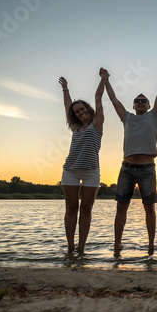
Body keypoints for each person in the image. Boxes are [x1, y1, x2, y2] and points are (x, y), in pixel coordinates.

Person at [105, 59, 157, 253]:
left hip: (147, 169)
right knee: (121, 207)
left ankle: (151, 245)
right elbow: (113, 99)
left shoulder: (154, 116)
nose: (141, 103)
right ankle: (117, 244)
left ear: (149, 105)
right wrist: (106, 79)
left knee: (149, 208)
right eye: (137, 101)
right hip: (126, 168)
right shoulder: (127, 117)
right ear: (133, 105)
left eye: (144, 101)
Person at [58, 68, 107, 253]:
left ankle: (81, 247)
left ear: (88, 109)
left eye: (82, 109)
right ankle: (70, 246)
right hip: (70, 170)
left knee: (86, 209)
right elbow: (67, 106)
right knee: (71, 208)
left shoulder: (97, 123)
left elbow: (98, 96)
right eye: (77, 111)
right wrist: (65, 89)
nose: (80, 112)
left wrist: (103, 78)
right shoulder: (74, 126)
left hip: (91, 172)